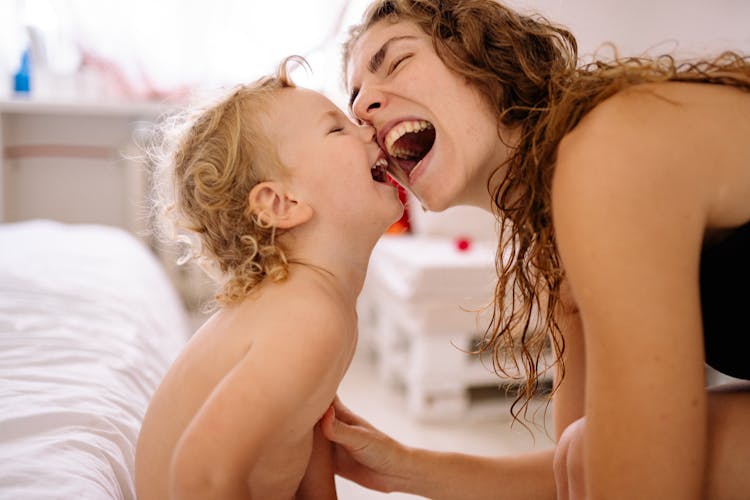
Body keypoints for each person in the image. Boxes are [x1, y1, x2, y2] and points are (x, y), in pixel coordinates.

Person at [319, 1, 750, 498]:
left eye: (395, 62)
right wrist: (397, 467)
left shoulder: (609, 148)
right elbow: (586, 464)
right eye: (354, 97)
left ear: (482, 56)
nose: (361, 108)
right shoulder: (559, 244)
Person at [134, 56, 404, 500]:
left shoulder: (314, 302)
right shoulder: (307, 318)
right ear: (281, 203)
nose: (367, 129)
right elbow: (199, 475)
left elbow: (305, 428)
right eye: (337, 129)